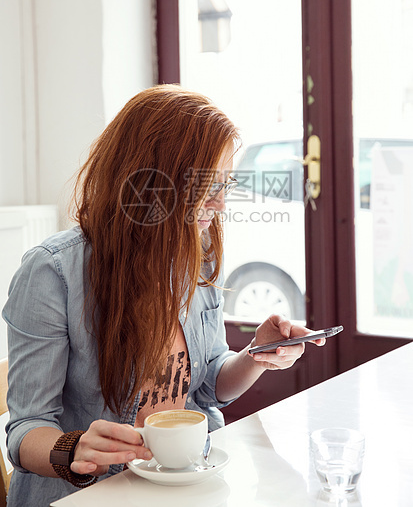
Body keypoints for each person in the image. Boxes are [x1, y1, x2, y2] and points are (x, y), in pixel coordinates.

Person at [2, 85, 325, 506]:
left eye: (225, 185)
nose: (221, 204)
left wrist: (256, 355)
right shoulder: (52, 272)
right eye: (207, 187)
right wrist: (74, 449)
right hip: (88, 495)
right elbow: (26, 429)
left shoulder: (200, 255)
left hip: (187, 484)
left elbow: (207, 385)